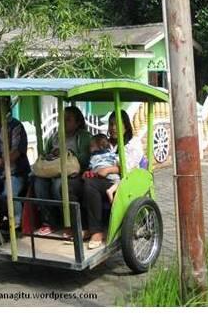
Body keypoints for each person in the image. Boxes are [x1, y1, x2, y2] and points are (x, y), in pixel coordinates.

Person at [81, 110, 146, 249]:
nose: (113, 128)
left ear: (126, 126)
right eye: (111, 124)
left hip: (124, 182)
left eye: (117, 124)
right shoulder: (105, 142)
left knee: (90, 186)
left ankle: (97, 232)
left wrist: (108, 170)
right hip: (103, 178)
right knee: (76, 183)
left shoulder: (133, 143)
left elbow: (128, 167)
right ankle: (84, 226)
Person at [32, 106, 91, 236]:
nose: (63, 122)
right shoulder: (55, 137)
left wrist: (66, 153)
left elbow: (86, 159)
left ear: (77, 122)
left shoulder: (83, 137)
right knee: (39, 182)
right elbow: (44, 154)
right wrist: (51, 155)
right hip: (53, 170)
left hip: (73, 173)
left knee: (58, 184)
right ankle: (49, 221)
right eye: (62, 119)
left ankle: (66, 221)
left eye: (68, 119)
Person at [85, 134, 121, 202]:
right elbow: (117, 160)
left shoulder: (93, 157)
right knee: (120, 182)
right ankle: (111, 190)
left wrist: (91, 172)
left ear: (100, 147)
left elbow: (91, 166)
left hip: (98, 172)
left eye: (92, 146)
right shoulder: (110, 154)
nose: (89, 149)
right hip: (110, 173)